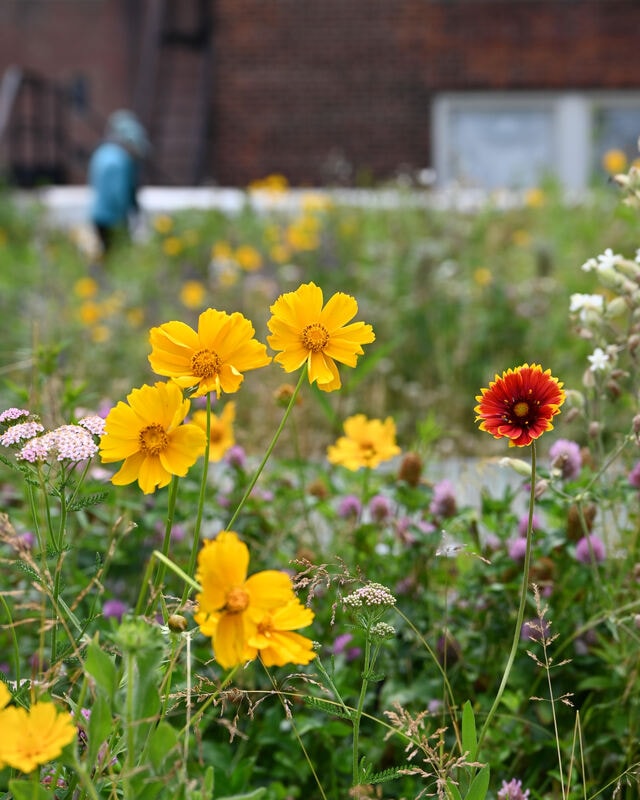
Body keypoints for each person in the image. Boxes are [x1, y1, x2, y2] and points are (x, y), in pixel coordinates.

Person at [88, 109, 150, 257]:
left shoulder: (101, 153)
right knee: (121, 255)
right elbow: (121, 193)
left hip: (97, 214)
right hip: (114, 217)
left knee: (106, 252)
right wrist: (131, 216)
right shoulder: (122, 160)